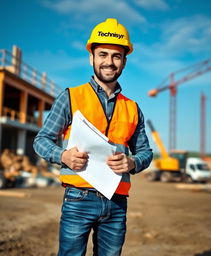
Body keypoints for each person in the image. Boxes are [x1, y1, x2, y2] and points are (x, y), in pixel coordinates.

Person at [33, 18, 153, 256]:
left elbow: (146, 153)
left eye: (116, 56)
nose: (109, 62)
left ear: (124, 61)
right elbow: (41, 140)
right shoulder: (70, 97)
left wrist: (132, 162)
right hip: (78, 199)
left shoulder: (133, 108)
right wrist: (63, 156)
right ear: (92, 58)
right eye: (103, 54)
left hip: (117, 202)